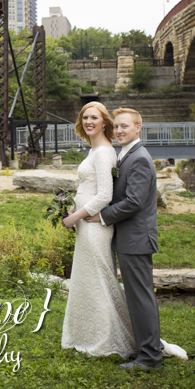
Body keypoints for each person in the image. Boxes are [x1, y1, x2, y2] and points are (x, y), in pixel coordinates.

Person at [63, 105, 186, 370]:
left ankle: (151, 357)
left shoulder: (139, 157)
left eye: (124, 126)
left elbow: (134, 202)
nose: (119, 130)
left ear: (138, 128)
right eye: (117, 126)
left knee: (140, 298)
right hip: (127, 237)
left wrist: (101, 216)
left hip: (137, 238)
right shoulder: (126, 155)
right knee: (135, 297)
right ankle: (145, 348)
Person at [60, 102, 137, 359]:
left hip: (94, 226)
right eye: (85, 117)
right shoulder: (94, 150)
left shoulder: (104, 152)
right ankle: (87, 334)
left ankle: (108, 338)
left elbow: (105, 195)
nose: (88, 121)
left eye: (94, 117)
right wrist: (71, 207)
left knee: (100, 280)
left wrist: (75, 217)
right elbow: (89, 188)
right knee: (88, 280)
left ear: (105, 122)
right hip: (85, 223)